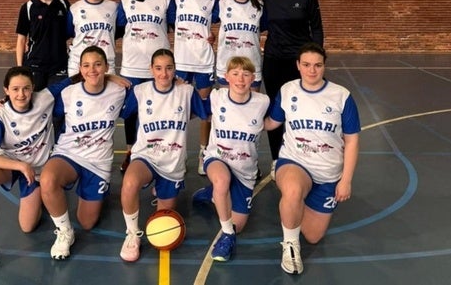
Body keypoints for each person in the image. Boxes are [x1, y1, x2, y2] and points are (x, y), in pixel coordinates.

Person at [0, 66, 75, 279]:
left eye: (26, 88)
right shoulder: (0, 116)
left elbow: (77, 78)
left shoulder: (45, 97)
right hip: (12, 165)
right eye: (15, 89)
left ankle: (45, 194)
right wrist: (21, 166)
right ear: (5, 90)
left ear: (33, 88)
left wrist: (111, 76)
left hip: (38, 170)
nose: (21, 94)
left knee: (27, 226)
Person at [263, 42, 360, 275]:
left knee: (313, 236)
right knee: (294, 191)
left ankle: (294, 201)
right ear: (298, 65)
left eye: (317, 65)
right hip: (295, 161)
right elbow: (271, 123)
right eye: (306, 64)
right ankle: (290, 246)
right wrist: (242, 108)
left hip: (328, 174)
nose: (312, 70)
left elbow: (352, 141)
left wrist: (345, 180)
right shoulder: (288, 90)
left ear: (324, 66)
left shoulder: (341, 96)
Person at [118, 49, 208, 262]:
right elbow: (119, 111)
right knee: (129, 183)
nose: (163, 74)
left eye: (169, 68)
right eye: (158, 68)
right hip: (145, 156)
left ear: (175, 69)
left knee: (163, 222)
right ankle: (132, 233)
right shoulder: (140, 91)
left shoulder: (186, 92)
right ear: (151, 70)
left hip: (172, 163)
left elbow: (206, 112)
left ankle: (160, 187)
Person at [39, 46, 128, 260]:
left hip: (98, 162)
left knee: (87, 222)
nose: (92, 70)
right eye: (86, 65)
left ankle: (95, 192)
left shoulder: (120, 91)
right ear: (80, 69)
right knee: (48, 179)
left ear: (106, 67)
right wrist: (4, 104)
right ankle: (64, 233)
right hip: (68, 154)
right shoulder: (68, 93)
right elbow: (35, 105)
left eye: (98, 64)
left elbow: (153, 91)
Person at [192, 56, 270, 262]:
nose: (240, 79)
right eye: (235, 74)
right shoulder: (217, 97)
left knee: (240, 225)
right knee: (222, 181)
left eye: (245, 74)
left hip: (245, 171)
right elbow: (194, 108)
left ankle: (211, 194)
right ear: (226, 77)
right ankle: (227, 235)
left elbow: (275, 124)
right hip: (217, 158)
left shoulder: (263, 103)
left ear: (253, 78)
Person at [261, 0, 324, 179]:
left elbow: (316, 28)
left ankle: (302, 154)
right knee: (275, 110)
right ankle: (277, 158)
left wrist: (315, 57)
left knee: (302, 108)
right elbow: (258, 24)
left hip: (299, 63)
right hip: (273, 59)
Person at [116, 0, 175, 173]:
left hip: (158, 68)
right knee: (131, 112)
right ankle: (131, 152)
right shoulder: (124, 1)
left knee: (157, 111)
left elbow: (180, 25)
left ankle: (157, 153)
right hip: (132, 66)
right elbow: (117, 30)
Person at [172, 0, 220, 175]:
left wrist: (214, 34)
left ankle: (203, 152)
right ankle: (177, 154)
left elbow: (225, 21)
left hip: (203, 62)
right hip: (181, 61)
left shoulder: (212, 0)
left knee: (204, 112)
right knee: (178, 110)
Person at [15, 0, 73, 91]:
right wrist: (20, 69)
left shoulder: (64, 5)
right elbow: (21, 40)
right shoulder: (27, 7)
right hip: (35, 65)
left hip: (59, 66)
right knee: (35, 105)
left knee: (57, 106)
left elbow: (72, 32)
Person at [215, 0, 266, 93]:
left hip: (252, 64)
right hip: (226, 64)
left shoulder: (260, 6)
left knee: (251, 108)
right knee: (228, 106)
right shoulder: (222, 3)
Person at [67, 0, 118, 76]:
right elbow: (69, 34)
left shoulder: (114, 8)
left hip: (106, 64)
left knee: (108, 93)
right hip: (79, 64)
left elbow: (119, 32)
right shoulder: (75, 8)